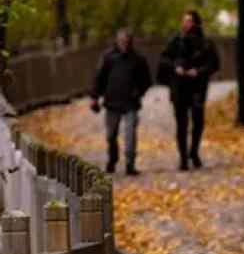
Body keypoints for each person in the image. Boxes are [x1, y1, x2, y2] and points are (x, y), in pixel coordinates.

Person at [159, 10, 221, 170]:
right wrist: (176, 67)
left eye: (188, 21)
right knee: (181, 123)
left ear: (195, 23)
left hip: (198, 88)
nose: (184, 24)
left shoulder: (206, 43)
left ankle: (194, 152)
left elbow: (214, 64)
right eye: (184, 21)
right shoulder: (176, 41)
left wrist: (198, 72)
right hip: (179, 87)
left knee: (198, 122)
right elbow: (164, 59)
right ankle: (183, 158)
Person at [90, 28, 152, 175]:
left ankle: (130, 163)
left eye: (127, 41)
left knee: (130, 135)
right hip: (112, 102)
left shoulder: (138, 59)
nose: (124, 44)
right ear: (117, 42)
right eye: (122, 41)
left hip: (131, 103)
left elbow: (147, 81)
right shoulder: (108, 58)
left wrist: (138, 92)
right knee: (111, 135)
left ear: (131, 42)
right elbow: (99, 78)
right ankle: (112, 159)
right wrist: (94, 97)